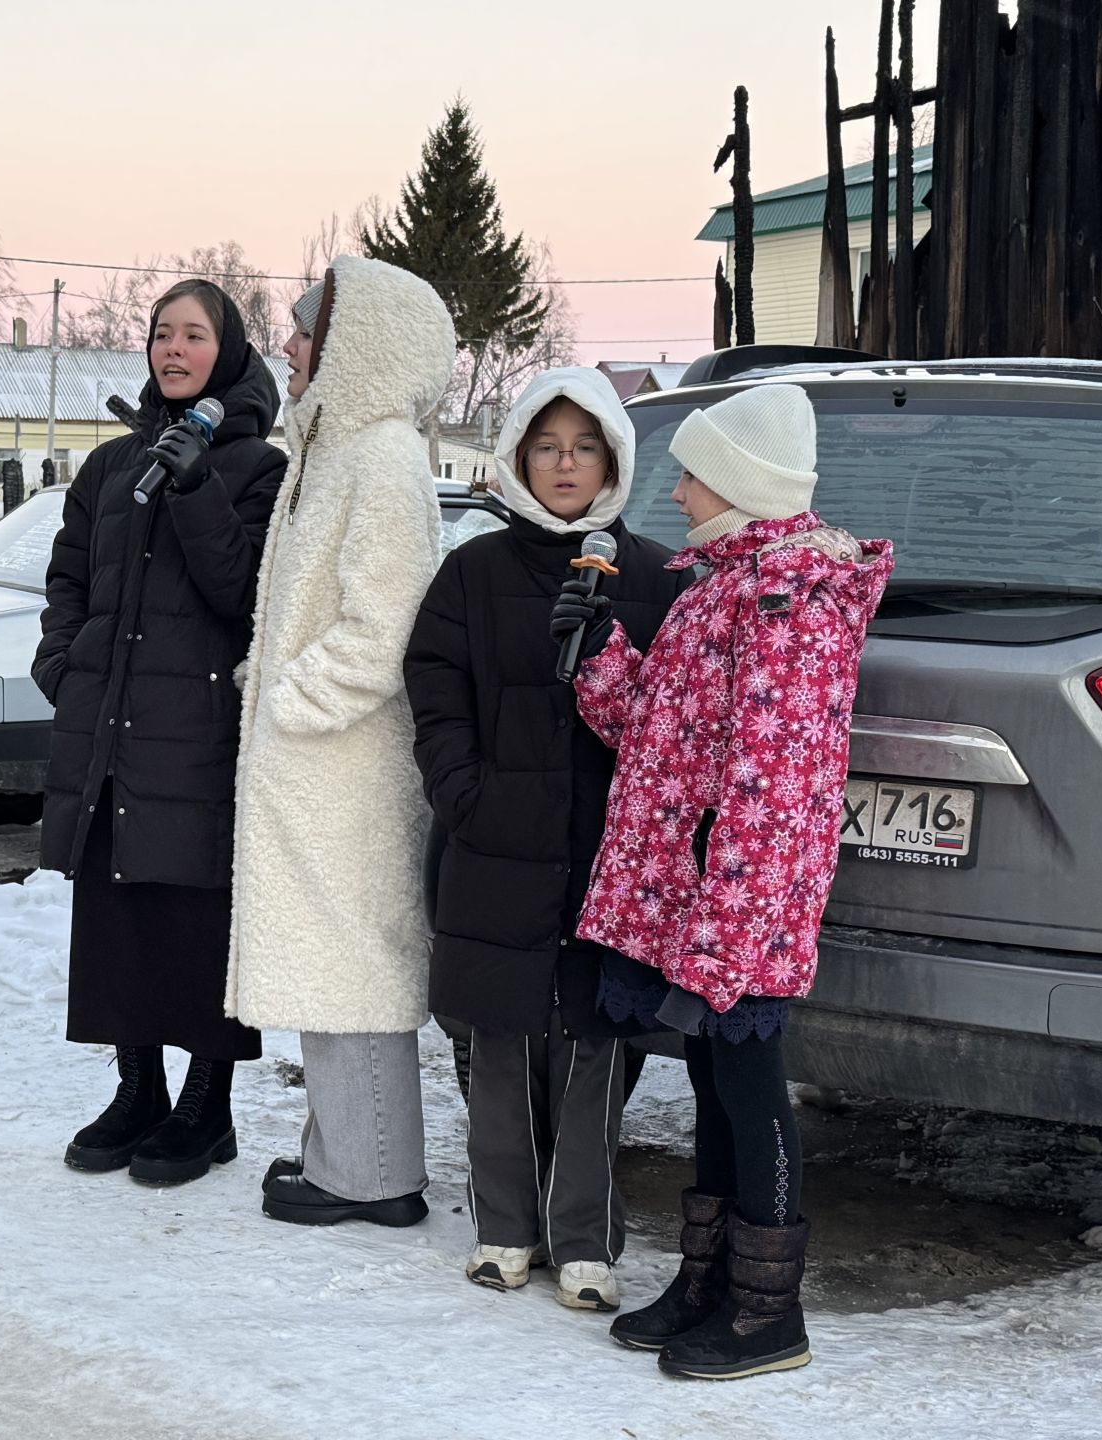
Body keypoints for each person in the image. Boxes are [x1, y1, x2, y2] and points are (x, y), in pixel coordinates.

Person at [553, 383, 892, 1379]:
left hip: (740, 897)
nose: (681, 491)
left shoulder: (790, 601)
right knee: (707, 1078)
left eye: (696, 473)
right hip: (701, 887)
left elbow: (775, 782)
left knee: (749, 1084)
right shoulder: (722, 585)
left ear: (741, 483)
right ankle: (707, 1284)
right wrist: (596, 659)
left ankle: (766, 1310)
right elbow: (662, 739)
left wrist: (728, 924)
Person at [405, 367, 692, 1307]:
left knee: (592, 1042)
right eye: (546, 446)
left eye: (583, 447)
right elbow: (436, 688)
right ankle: (504, 1229)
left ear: (612, 457)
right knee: (499, 1040)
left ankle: (585, 1241)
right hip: (496, 844)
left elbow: (678, 711)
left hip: (607, 852)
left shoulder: (653, 575)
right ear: (520, 455)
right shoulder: (474, 572)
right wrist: (463, 793)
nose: (565, 465)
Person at [34, 279, 288, 1185]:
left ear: (230, 354)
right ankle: (136, 1090)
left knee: (193, 922)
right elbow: (66, 581)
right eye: (161, 336)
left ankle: (205, 1110)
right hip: (109, 728)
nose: (173, 351)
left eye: (194, 336)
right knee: (118, 920)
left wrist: (195, 484)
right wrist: (62, 666)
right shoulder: (109, 468)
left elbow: (246, 594)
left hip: (200, 736)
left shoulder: (261, 469)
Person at [226, 256, 455, 1228]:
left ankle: (373, 1176)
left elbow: (383, 628)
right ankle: (341, 1152)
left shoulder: (382, 458)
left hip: (345, 769)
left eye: (305, 328)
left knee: (356, 965)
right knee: (328, 963)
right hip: (319, 768)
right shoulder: (339, 449)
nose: (286, 344)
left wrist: (289, 703)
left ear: (355, 343)